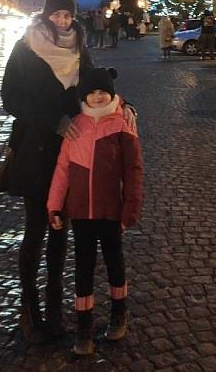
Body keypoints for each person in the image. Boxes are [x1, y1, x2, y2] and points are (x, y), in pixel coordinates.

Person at [1, 0, 137, 344]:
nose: (62, 21)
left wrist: (124, 105)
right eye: (56, 15)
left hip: (72, 152)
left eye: (67, 15)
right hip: (36, 148)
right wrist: (53, 121)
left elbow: (96, 86)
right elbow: (10, 98)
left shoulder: (79, 45)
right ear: (46, 15)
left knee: (61, 230)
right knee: (35, 230)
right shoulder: (25, 47)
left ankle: (55, 307)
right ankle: (30, 309)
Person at [47, 67, 143, 356]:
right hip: (81, 212)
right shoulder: (76, 125)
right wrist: (54, 205)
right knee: (83, 267)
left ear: (111, 94)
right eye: (92, 92)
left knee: (114, 262)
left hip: (111, 210)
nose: (98, 97)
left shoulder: (122, 123)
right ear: (84, 95)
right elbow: (63, 168)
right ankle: (84, 327)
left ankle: (118, 313)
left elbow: (134, 170)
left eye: (103, 91)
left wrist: (131, 208)